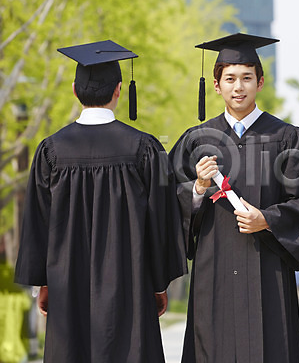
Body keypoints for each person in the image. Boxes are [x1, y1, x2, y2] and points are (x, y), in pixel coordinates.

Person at [14, 40, 186, 363]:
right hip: (130, 289)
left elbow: (38, 222)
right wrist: (158, 282)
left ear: (75, 92)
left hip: (68, 287)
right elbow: (161, 221)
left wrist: (43, 282)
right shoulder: (145, 149)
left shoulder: (51, 151)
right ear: (119, 90)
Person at [169, 33, 299, 363]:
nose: (239, 87)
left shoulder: (287, 137)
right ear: (217, 85)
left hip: (268, 270)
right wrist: (198, 188)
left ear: (260, 82)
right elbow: (167, 206)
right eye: (230, 78)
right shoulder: (195, 140)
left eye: (247, 78)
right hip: (213, 270)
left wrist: (267, 219)